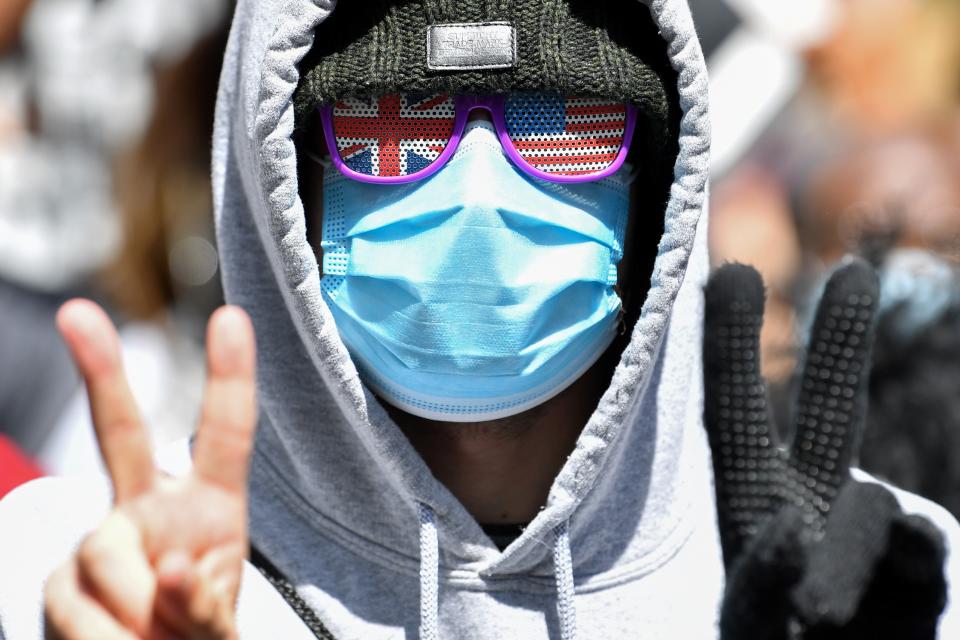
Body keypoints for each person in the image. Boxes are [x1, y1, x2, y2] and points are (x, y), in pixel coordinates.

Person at [0, 1, 958, 639]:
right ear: (283, 168)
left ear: (661, 175)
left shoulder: (882, 574)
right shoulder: (77, 573)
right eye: (390, 117)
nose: (478, 190)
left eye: (563, 120)